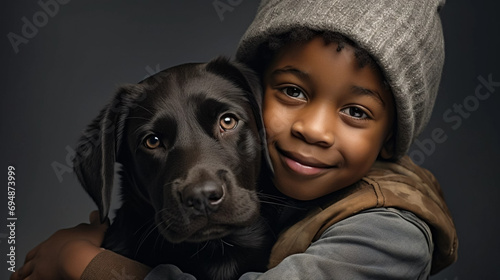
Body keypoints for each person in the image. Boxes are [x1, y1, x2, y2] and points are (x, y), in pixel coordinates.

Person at [11, 0, 458, 279]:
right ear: (261, 99)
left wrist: (82, 262)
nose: (313, 129)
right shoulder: (287, 183)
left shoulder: (388, 232)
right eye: (293, 92)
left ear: (391, 137)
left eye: (356, 111)